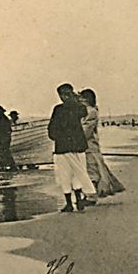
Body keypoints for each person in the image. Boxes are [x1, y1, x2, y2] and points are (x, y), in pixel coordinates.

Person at [48, 83, 97, 212]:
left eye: (63, 95)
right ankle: (79, 200)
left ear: (63, 95)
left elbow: (51, 129)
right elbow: (83, 111)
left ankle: (69, 203)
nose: (63, 97)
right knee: (78, 173)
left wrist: (56, 137)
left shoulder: (58, 109)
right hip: (78, 145)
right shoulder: (79, 107)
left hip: (62, 147)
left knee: (65, 176)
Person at [79, 89, 125, 197]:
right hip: (87, 145)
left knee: (92, 169)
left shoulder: (91, 112)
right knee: (96, 168)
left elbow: (86, 130)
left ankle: (92, 195)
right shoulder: (88, 111)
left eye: (81, 98)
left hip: (89, 145)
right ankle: (96, 192)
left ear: (87, 99)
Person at [0, 106, 18, 172]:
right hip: (2, 138)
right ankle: (6, 166)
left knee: (4, 152)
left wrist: (5, 138)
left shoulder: (4, 120)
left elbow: (8, 130)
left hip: (4, 138)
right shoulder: (2, 119)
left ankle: (9, 166)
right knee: (3, 152)